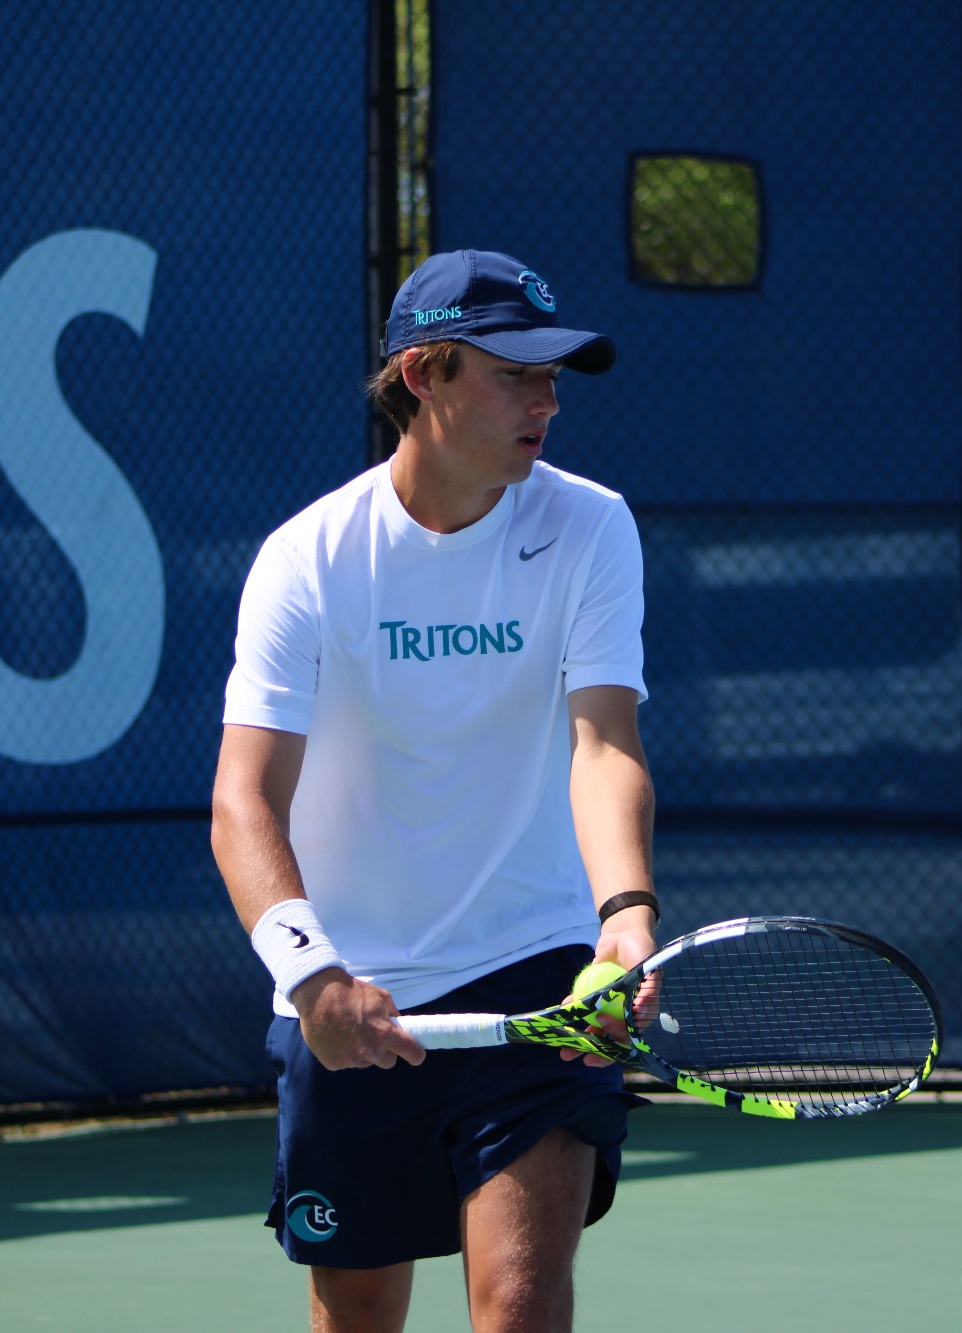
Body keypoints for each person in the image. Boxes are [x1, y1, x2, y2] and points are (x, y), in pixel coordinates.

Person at [210, 248, 660, 1333]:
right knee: (358, 1313)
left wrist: (624, 914)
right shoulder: (307, 559)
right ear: (425, 372)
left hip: (540, 973)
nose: (547, 401)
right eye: (517, 374)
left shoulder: (591, 526)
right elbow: (243, 801)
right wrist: (314, 979)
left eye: (556, 377)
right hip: (352, 985)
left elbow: (601, 743)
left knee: (515, 1303)